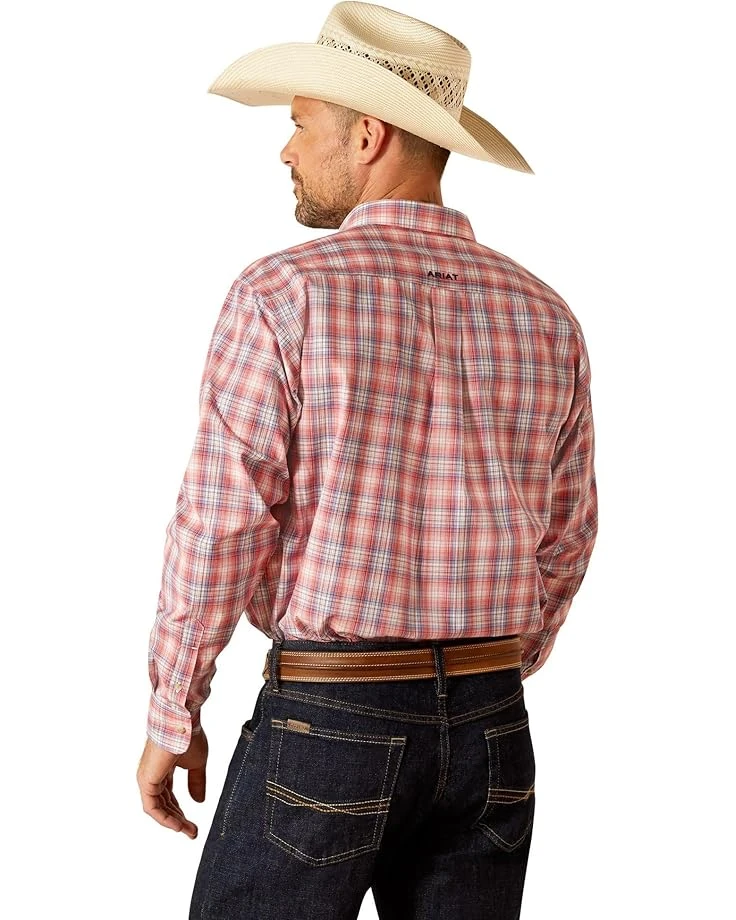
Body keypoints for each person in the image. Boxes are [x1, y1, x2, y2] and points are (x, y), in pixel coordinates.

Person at [136, 3, 598, 917]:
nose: (286, 150)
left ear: (368, 134)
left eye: (301, 124)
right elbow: (568, 535)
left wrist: (172, 709)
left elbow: (222, 523)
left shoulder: (283, 295)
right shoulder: (546, 315)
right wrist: (482, 672)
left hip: (331, 720)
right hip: (493, 727)